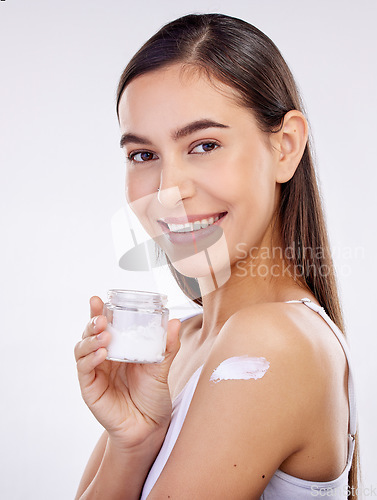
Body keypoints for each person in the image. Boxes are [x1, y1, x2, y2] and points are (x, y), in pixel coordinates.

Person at [74, 13, 359, 500]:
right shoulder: (181, 343)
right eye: (143, 155)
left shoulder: (272, 342)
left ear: (285, 147)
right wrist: (133, 443)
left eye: (204, 145)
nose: (168, 192)